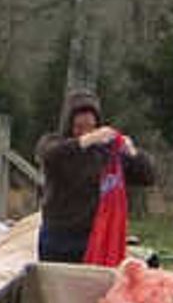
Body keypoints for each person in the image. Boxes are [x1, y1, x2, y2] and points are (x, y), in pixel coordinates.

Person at [35, 90, 150, 264]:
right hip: (58, 236)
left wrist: (133, 154)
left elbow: (147, 176)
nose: (85, 132)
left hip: (94, 237)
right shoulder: (53, 143)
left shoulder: (104, 154)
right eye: (79, 127)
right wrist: (86, 140)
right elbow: (50, 155)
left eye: (90, 127)